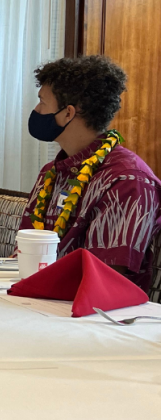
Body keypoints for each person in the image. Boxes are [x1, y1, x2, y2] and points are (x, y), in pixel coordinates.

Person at [19, 56, 161, 290]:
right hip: (38, 297)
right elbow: (25, 250)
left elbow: (105, 277)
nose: (36, 110)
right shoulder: (51, 172)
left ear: (68, 113)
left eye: (42, 102)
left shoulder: (127, 180)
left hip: (98, 316)